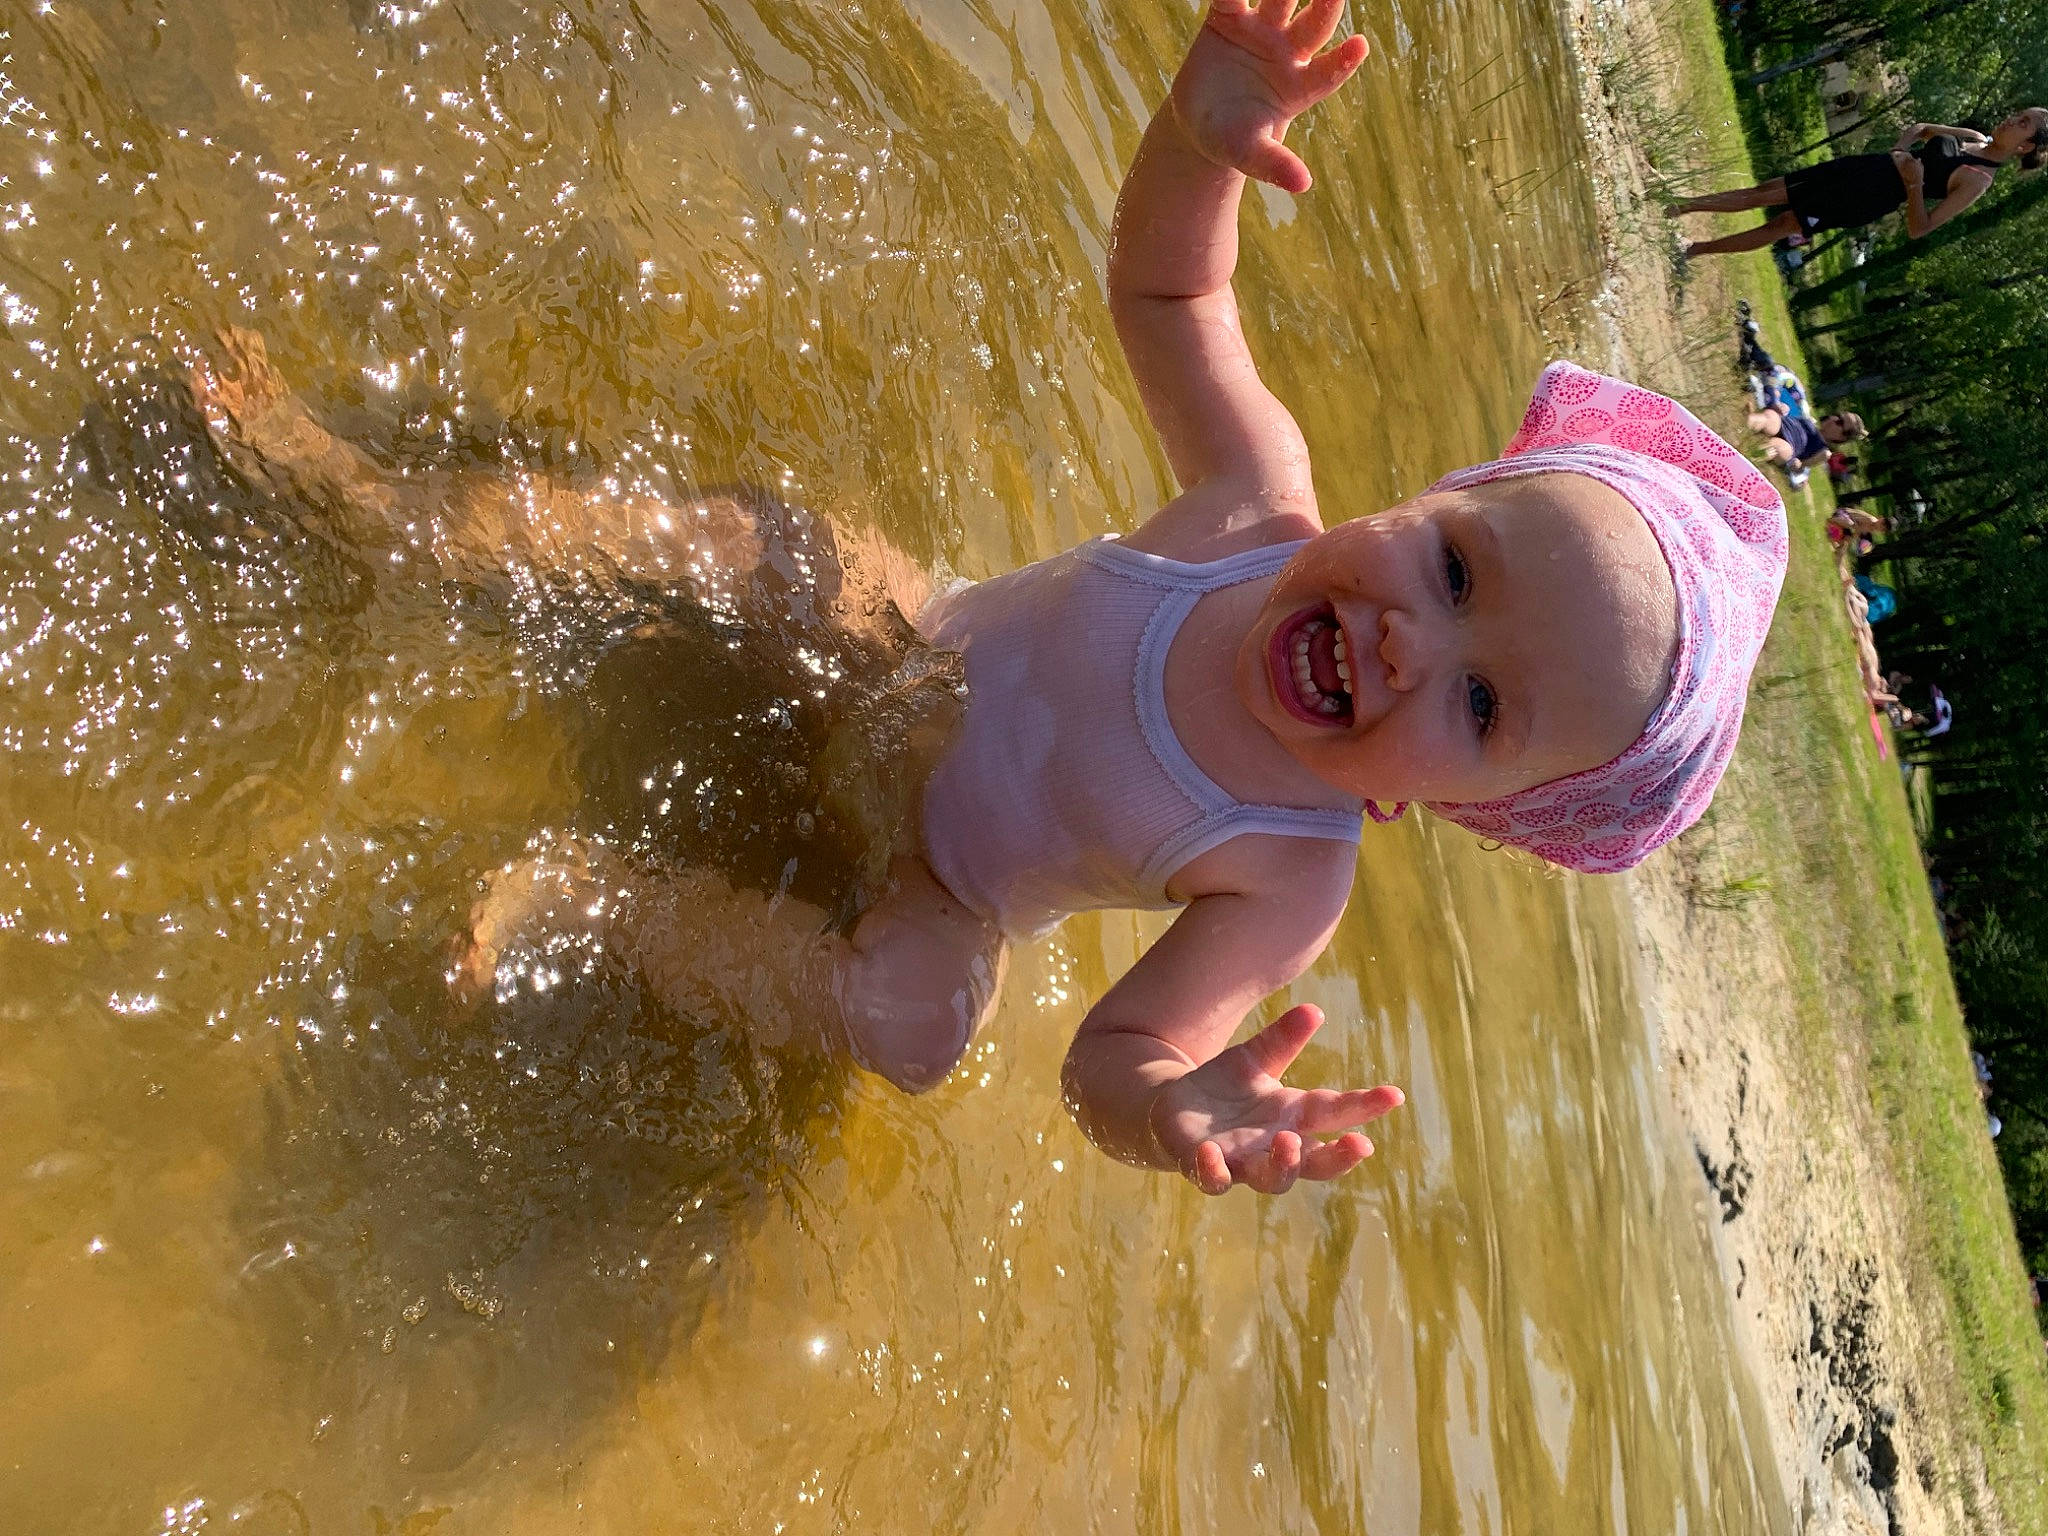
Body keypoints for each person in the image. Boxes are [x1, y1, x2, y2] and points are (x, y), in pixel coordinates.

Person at [193, 0, 1789, 1197]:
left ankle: (596, 906)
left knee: (916, 1029)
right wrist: (1200, 132)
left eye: (1480, 701)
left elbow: (1112, 1059)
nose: (1405, 637)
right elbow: (1172, 288)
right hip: (905, 636)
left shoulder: (1288, 884)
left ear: (1476, 808)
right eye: (1451, 565)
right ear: (1434, 495)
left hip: (944, 877)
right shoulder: (1254, 500)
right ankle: (365, 503)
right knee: (765, 558)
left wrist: (1172, 1113)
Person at [1667, 108, 2048, 257]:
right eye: (2018, 115)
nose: (2011, 120)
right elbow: (1921, 129)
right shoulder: (1973, 136)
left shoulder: (1978, 181)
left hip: (1870, 197)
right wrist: (1899, 150)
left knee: (1782, 223)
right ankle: (1678, 206)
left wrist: (1914, 185)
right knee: (1767, 189)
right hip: (1866, 166)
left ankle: (1691, 250)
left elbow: (1920, 229)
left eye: (2022, 124)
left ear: (2026, 146)